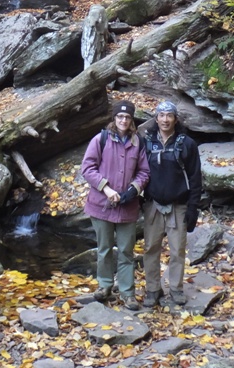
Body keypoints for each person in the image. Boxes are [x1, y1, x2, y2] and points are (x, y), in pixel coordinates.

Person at [81, 100, 150, 311]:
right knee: (104, 249)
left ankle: (128, 293)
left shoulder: (138, 143)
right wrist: (107, 189)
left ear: (131, 121)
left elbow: (144, 172)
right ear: (114, 119)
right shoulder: (100, 139)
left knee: (127, 251)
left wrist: (133, 189)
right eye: (120, 117)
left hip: (127, 207)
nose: (123, 120)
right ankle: (104, 286)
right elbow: (87, 168)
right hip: (102, 205)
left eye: (127, 117)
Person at [139, 100, 202, 307]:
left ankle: (176, 289)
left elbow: (195, 178)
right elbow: (137, 171)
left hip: (179, 205)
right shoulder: (146, 141)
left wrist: (193, 207)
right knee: (150, 248)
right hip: (152, 204)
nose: (165, 119)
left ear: (175, 119)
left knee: (177, 250)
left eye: (169, 116)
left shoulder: (187, 144)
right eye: (161, 115)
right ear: (156, 118)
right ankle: (153, 289)